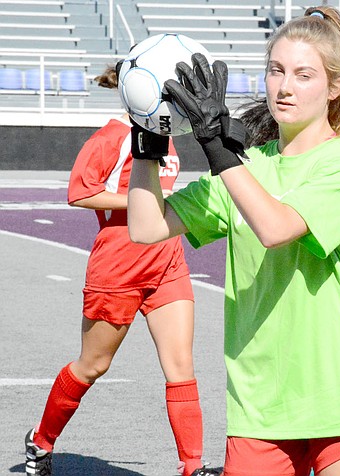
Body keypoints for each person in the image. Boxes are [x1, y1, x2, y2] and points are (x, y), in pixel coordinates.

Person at [127, 5, 340, 476]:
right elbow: (146, 227)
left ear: (335, 87)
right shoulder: (246, 166)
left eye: (304, 74)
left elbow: (275, 228)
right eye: (276, 70)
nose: (286, 86)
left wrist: (219, 151)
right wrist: (148, 141)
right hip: (260, 402)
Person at [24, 65, 218, 476]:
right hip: (118, 267)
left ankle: (193, 466)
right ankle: (41, 443)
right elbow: (81, 192)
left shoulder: (165, 134)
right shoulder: (110, 136)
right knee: (93, 366)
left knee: (181, 365)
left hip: (167, 262)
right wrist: (141, 199)